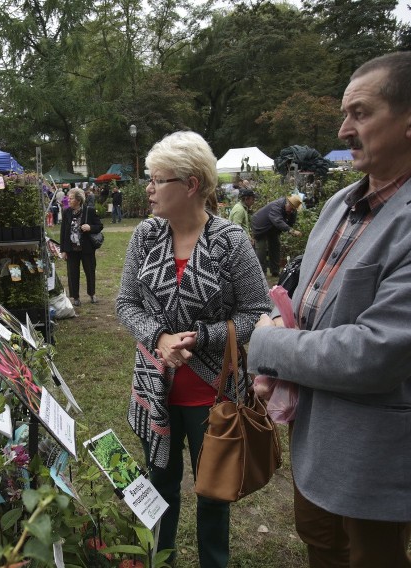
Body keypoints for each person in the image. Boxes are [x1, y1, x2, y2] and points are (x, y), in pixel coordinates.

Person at [248, 52, 411, 567]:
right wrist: (282, 316)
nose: (343, 130)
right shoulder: (341, 204)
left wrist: (267, 343)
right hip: (314, 433)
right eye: (345, 115)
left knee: (370, 560)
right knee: (320, 546)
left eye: (360, 113)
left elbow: (375, 353)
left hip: (373, 449)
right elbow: (309, 299)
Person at [116, 131, 271, 567]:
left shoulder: (230, 241)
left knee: (212, 494)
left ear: (191, 185)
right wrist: (160, 339)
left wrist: (203, 337)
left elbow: (256, 311)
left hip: (214, 395)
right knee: (159, 487)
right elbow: (125, 303)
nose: (148, 188)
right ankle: (161, 561)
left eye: (156, 179)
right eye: (149, 178)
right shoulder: (146, 236)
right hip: (155, 389)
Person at [59, 188, 103, 306]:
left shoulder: (89, 211)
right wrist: (62, 250)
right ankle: (75, 297)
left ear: (78, 200)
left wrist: (90, 227)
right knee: (72, 273)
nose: (68, 199)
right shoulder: (66, 212)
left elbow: (99, 226)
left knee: (90, 271)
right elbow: (63, 232)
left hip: (87, 248)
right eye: (69, 197)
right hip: (71, 249)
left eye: (71, 198)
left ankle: (92, 294)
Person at [251, 194, 303, 277]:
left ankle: (275, 271)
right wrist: (291, 230)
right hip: (260, 226)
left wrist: (290, 229)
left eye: (294, 210)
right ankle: (261, 273)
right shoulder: (276, 206)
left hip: (273, 228)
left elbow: (290, 222)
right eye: (291, 209)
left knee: (275, 246)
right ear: (287, 203)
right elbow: (278, 221)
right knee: (261, 249)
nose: (291, 211)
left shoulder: (292, 210)